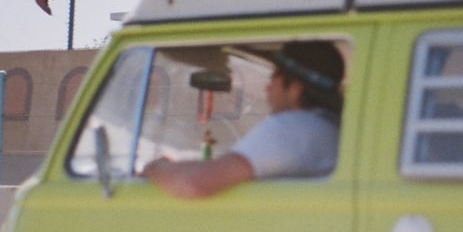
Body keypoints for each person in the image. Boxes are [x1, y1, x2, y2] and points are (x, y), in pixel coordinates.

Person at [142, 40, 345, 199]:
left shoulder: (293, 128)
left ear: (295, 89)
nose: (267, 88)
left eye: (274, 78)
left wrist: (157, 166)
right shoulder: (329, 128)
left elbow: (193, 183)